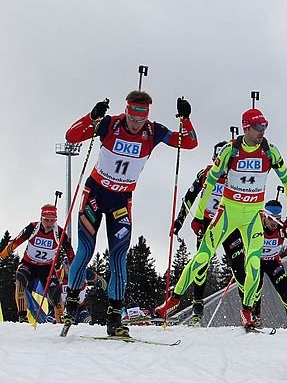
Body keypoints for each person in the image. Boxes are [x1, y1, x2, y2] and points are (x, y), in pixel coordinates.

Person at [63, 91, 197, 337]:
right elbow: (71, 136)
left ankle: (114, 316)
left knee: (118, 257)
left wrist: (185, 119)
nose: (136, 125)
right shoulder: (110, 124)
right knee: (85, 250)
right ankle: (71, 301)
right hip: (95, 194)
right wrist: (92, 117)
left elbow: (188, 143)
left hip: (121, 201)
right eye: (132, 118)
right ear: (126, 112)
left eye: (141, 120)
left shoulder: (153, 131)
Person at [156, 108, 287, 330]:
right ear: (246, 127)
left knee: (252, 265)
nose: (263, 131)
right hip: (227, 213)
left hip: (252, 217)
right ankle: (175, 298)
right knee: (202, 257)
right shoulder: (231, 150)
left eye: (265, 126)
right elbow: (208, 182)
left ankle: (248, 311)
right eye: (258, 127)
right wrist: (200, 216)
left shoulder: (270, 151)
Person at [162, 140, 247, 324]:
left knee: (239, 267)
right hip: (207, 224)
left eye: (226, 160)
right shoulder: (205, 174)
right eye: (219, 160)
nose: (222, 165)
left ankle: (249, 311)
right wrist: (178, 222)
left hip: (230, 225)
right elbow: (189, 197)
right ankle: (197, 309)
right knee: (201, 264)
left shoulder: (237, 176)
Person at [0, 204, 74, 323]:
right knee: (20, 283)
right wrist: (2, 256)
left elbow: (70, 252)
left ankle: (60, 321)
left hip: (47, 267)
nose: (49, 224)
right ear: (41, 218)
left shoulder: (60, 232)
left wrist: (74, 267)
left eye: (52, 220)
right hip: (28, 264)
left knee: (56, 295)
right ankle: (23, 317)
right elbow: (16, 242)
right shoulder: (32, 227)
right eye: (46, 220)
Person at [251, 200, 287, 328]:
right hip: (257, 262)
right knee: (256, 289)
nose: (274, 223)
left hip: (273, 262)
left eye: (278, 219)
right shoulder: (256, 225)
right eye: (271, 219)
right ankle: (255, 317)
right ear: (264, 217)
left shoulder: (282, 228)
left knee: (285, 294)